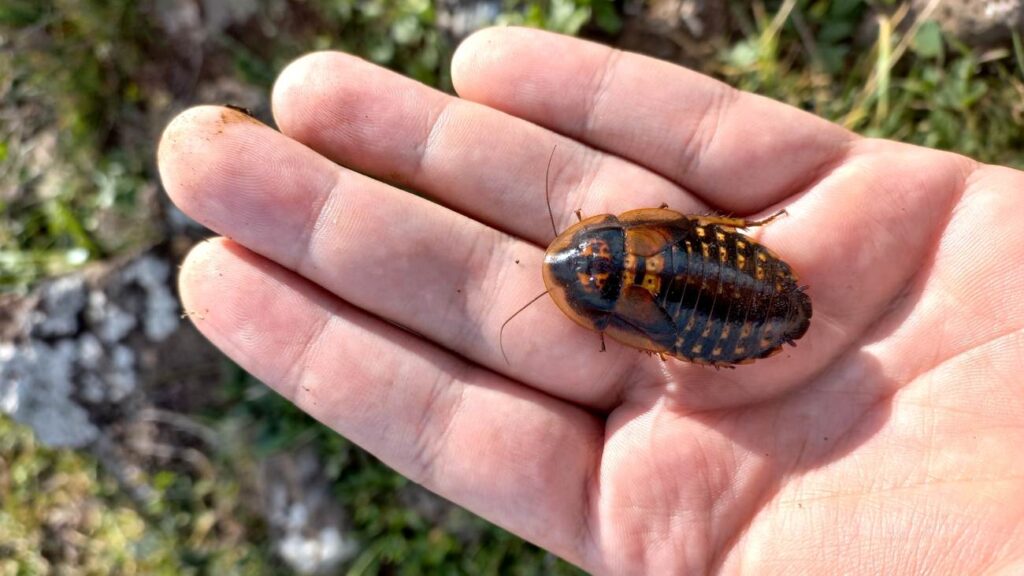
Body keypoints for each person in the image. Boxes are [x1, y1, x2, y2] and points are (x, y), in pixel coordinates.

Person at [158, 27, 1024, 575]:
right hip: (730, 279)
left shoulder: (620, 304)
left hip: (729, 296)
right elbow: (680, 230)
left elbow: (672, 264)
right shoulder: (637, 239)